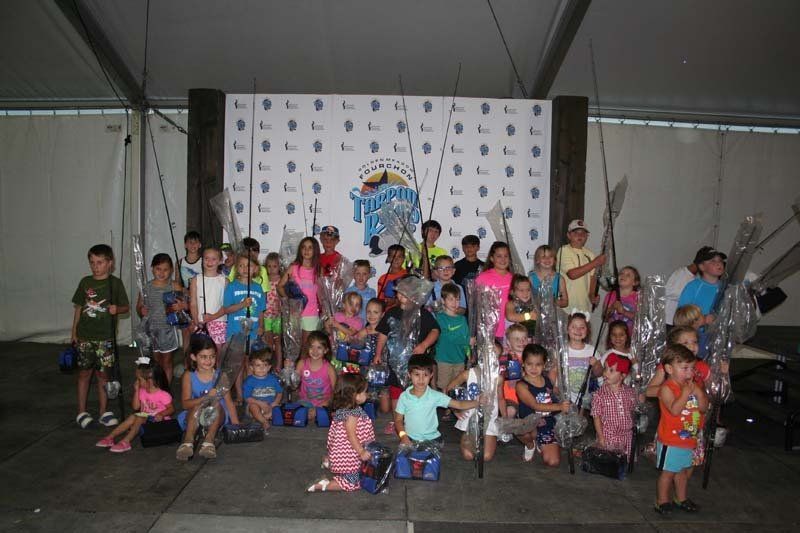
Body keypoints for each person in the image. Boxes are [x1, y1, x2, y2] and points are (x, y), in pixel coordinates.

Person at [71, 244, 129, 429]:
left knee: (103, 375)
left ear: (110, 263)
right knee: (84, 374)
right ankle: (81, 411)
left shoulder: (115, 283)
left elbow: (126, 307)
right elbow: (79, 307)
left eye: (100, 262)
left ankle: (103, 411)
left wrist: (117, 309)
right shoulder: (85, 282)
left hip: (106, 338)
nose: (95, 266)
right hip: (85, 337)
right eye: (92, 262)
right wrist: (74, 332)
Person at [374, 277, 441, 425]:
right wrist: (378, 353)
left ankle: (417, 421)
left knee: (418, 391)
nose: (402, 295)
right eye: (400, 292)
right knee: (396, 394)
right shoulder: (392, 313)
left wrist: (424, 345)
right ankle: (397, 422)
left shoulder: (422, 313)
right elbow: (383, 334)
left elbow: (435, 331)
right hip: (395, 363)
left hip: (416, 364)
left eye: (406, 292)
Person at [654, 344, 708, 514]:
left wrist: (699, 394)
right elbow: (675, 410)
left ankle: (681, 498)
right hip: (671, 440)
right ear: (669, 369)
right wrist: (685, 393)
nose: (689, 373)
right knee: (668, 473)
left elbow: (704, 408)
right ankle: (662, 501)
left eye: (692, 368)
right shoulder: (666, 389)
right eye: (684, 368)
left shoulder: (692, 386)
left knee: (683, 472)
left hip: (688, 438)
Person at [308, 374, 376, 492]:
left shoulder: (343, 409)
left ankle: (330, 461)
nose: (367, 394)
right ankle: (323, 485)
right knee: (354, 482)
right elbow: (351, 435)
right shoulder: (353, 414)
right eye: (365, 392)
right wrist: (361, 452)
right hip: (350, 455)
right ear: (355, 395)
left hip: (340, 451)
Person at [176, 335, 239, 460]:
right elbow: (185, 404)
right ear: (193, 357)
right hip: (195, 416)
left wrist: (236, 425)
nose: (209, 361)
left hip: (217, 416)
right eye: (203, 357)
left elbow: (229, 402)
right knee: (198, 406)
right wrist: (205, 398)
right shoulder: (189, 375)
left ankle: (209, 442)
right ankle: (188, 442)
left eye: (212, 356)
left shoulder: (221, 376)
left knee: (216, 404)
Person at [394, 354, 478, 446]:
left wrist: (478, 402)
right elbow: (398, 420)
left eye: (425, 375)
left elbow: (459, 404)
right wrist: (403, 436)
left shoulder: (435, 396)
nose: (421, 379)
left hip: (432, 439)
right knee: (403, 455)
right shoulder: (404, 397)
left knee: (428, 455)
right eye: (417, 374)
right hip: (409, 438)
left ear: (431, 375)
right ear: (409, 375)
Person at [95, 357, 174, 453]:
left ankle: (126, 442)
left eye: (139, 379)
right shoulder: (142, 391)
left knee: (140, 417)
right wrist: (136, 391)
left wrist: (161, 414)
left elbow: (171, 409)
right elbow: (136, 407)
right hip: (146, 421)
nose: (137, 381)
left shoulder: (163, 394)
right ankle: (110, 437)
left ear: (149, 380)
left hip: (159, 424)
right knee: (134, 416)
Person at [516, 344, 571, 465]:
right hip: (530, 423)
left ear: (544, 365)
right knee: (521, 431)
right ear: (523, 363)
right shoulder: (521, 385)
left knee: (553, 462)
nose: (533, 368)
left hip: (547, 422)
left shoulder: (547, 380)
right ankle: (530, 445)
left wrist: (564, 397)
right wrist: (559, 407)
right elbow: (535, 405)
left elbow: (554, 392)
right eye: (529, 364)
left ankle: (542, 443)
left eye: (538, 364)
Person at [136, 253, 183, 385]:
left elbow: (184, 307)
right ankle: (157, 388)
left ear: (171, 270)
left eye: (165, 269)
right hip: (152, 330)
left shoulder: (174, 286)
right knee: (156, 362)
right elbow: (139, 307)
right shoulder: (146, 287)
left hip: (168, 330)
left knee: (167, 361)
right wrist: (141, 310)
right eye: (158, 269)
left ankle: (165, 390)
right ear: (152, 268)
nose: (161, 273)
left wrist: (180, 306)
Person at [446, 363, 503, 462]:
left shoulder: (498, 377)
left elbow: (501, 399)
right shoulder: (468, 374)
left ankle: (489, 437)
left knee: (486, 457)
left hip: (489, 418)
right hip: (470, 417)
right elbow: (450, 389)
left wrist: (505, 418)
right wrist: (455, 410)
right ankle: (469, 435)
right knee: (468, 456)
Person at [591, 353, 637, 458]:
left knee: (626, 461)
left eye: (611, 370)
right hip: (609, 436)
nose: (606, 373)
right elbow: (596, 417)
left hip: (627, 436)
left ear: (622, 376)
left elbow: (633, 410)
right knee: (611, 462)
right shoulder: (599, 395)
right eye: (605, 369)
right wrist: (601, 437)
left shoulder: (629, 392)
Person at [556, 219, 606, 314]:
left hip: (585, 308)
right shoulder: (564, 250)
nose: (580, 235)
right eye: (576, 233)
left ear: (587, 236)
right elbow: (572, 274)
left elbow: (593, 278)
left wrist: (592, 296)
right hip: (566, 308)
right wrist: (595, 262)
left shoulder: (590, 254)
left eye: (583, 233)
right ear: (568, 235)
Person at [278, 237, 322, 345]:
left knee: (308, 345)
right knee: (294, 345)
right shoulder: (293, 267)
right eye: (303, 247)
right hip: (295, 313)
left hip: (311, 313)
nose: (306, 250)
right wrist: (289, 301)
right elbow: (280, 286)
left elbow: (321, 293)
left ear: (315, 250)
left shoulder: (318, 270)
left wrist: (325, 310)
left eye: (310, 248)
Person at [433, 283, 471, 405]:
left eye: (457, 299)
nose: (455, 303)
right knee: (444, 387)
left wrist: (469, 354)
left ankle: (454, 408)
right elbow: (447, 337)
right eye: (451, 299)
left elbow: (466, 337)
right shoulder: (440, 318)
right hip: (444, 359)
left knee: (456, 386)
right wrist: (467, 341)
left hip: (459, 359)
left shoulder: (462, 319)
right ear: (443, 301)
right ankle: (445, 408)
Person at [354, 298, 390, 414]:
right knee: (365, 401)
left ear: (382, 314)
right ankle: (369, 401)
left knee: (385, 410)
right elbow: (355, 348)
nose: (371, 315)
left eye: (375, 312)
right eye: (368, 312)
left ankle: (377, 400)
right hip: (366, 370)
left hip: (382, 370)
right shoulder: (363, 332)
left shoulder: (386, 331)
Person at [189, 247, 228, 351]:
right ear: (202, 260)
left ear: (220, 261)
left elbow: (226, 306)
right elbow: (193, 303)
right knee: (201, 352)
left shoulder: (225, 281)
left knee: (217, 352)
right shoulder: (195, 280)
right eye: (206, 258)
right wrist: (196, 321)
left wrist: (213, 317)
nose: (209, 262)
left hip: (219, 322)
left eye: (213, 259)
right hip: (200, 323)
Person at [295, 331, 337, 424]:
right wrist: (289, 370)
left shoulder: (329, 368)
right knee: (298, 414)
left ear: (325, 350)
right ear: (308, 348)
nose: (315, 351)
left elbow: (335, 391)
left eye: (319, 347)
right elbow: (294, 384)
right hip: (305, 401)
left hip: (324, 402)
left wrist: (323, 405)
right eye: (312, 347)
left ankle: (318, 414)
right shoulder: (301, 364)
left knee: (322, 414)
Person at [476, 241, 514, 343]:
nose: (503, 259)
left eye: (506, 256)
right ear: (492, 258)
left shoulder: (514, 278)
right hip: (490, 329)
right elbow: (476, 304)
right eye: (499, 256)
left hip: (510, 329)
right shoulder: (483, 277)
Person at [223, 254, 266, 342]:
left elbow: (261, 311)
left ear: (256, 268)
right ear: (237, 268)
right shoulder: (231, 286)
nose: (245, 268)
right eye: (241, 265)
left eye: (249, 265)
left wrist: (261, 326)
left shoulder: (259, 288)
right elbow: (226, 309)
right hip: (235, 332)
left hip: (253, 333)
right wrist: (242, 304)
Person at [243, 344, 283, 430]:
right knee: (253, 406)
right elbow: (247, 398)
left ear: (269, 367)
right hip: (256, 405)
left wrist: (275, 403)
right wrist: (260, 403)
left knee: (279, 408)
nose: (262, 368)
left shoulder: (273, 379)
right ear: (251, 367)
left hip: (270, 405)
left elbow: (279, 392)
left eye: (265, 365)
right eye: (258, 365)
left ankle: (262, 418)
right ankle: (264, 421)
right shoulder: (249, 381)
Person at [564, 312, 597, 410]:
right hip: (566, 400)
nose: (578, 330)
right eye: (574, 327)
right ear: (567, 329)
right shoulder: (562, 349)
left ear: (587, 330)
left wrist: (595, 365)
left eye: (582, 327)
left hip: (585, 400)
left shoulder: (592, 350)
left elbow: (599, 373)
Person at [664, 249, 702, 327]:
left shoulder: (696, 278)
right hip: (670, 320)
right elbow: (668, 292)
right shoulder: (680, 273)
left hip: (681, 321)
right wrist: (690, 295)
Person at [499, 323, 529, 418]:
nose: (521, 341)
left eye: (524, 338)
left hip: (527, 397)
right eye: (517, 339)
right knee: (510, 411)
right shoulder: (505, 357)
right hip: (510, 398)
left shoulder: (530, 356)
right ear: (508, 342)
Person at [603, 265, 640, 335]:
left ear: (635, 282)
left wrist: (624, 312)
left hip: (631, 337)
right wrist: (612, 307)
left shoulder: (638, 297)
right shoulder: (610, 295)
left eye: (628, 275)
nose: (623, 276)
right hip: (613, 336)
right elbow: (605, 318)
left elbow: (640, 319)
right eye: (621, 273)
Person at [593, 320, 633, 384]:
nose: (617, 337)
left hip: (625, 386)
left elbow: (635, 369)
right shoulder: (608, 354)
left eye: (621, 335)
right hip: (609, 386)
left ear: (627, 336)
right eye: (614, 335)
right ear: (610, 337)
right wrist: (596, 364)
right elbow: (598, 373)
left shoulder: (631, 353)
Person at [262, 252, 283, 369]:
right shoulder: (264, 280)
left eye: (274, 266)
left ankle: (278, 366)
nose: (271, 269)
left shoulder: (281, 280)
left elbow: (284, 297)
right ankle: (268, 366)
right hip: (266, 315)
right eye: (269, 266)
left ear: (279, 267)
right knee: (268, 341)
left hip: (278, 316)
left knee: (278, 341)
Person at [504, 274, 537, 339]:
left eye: (528, 290)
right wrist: (529, 316)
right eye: (521, 290)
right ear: (512, 292)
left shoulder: (532, 304)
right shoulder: (511, 304)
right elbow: (510, 317)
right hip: (513, 338)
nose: (525, 293)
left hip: (527, 337)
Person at [377, 244, 407, 309]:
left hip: (403, 312)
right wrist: (386, 302)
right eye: (393, 256)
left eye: (399, 256)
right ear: (388, 258)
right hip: (387, 312)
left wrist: (395, 301)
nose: (396, 259)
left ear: (404, 258)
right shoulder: (382, 279)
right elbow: (380, 301)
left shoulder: (408, 275)